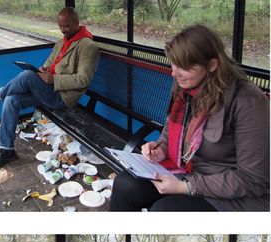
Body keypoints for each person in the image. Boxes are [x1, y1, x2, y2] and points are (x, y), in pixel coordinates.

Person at [110, 25, 269, 212]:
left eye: (184, 67)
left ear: (212, 65)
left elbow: (252, 179)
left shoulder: (248, 101)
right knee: (125, 184)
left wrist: (187, 187)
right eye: (173, 63)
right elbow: (168, 134)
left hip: (229, 193)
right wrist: (160, 149)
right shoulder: (185, 87)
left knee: (165, 211)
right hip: (184, 172)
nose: (174, 73)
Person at [0, 7, 99, 170]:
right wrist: (43, 70)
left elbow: (84, 79)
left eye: (67, 26)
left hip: (62, 98)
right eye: (60, 26)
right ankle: (6, 150)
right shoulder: (61, 42)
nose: (63, 30)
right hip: (48, 91)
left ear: (77, 23)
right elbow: (49, 63)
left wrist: (54, 79)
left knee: (28, 76)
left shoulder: (87, 46)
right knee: (12, 99)